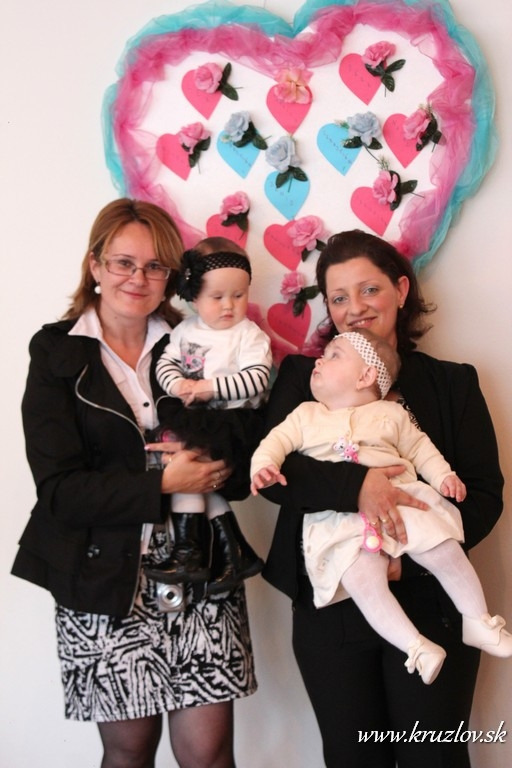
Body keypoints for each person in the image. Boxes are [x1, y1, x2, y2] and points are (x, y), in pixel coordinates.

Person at [11, 199, 257, 768]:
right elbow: (60, 491)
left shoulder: (198, 340)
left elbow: (248, 445)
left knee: (209, 753)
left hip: (202, 568)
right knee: (128, 753)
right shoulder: (56, 352)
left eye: (154, 266)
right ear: (95, 264)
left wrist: (219, 463)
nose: (138, 278)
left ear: (172, 276)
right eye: (124, 263)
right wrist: (163, 482)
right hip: (103, 576)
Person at [258, 229, 504, 767]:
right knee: (353, 759)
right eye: (338, 297)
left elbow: (483, 495)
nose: (355, 308)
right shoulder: (305, 377)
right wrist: (360, 486)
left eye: (369, 289)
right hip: (333, 603)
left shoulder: (452, 384)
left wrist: (403, 562)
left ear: (400, 289)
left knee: (432, 759)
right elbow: (278, 475)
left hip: (432, 600)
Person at [251, 329, 512, 686]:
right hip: (339, 522)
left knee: (442, 546)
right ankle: (416, 647)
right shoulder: (304, 415)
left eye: (334, 355)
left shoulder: (391, 414)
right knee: (361, 580)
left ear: (366, 376)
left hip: (401, 504)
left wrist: (443, 477)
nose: (319, 361)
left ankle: (477, 619)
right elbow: (274, 443)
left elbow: (421, 449)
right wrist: (263, 466)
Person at [144, 237, 271, 593]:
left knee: (191, 468)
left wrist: (208, 388)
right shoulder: (185, 330)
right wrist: (177, 384)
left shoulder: (248, 335)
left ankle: (191, 551)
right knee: (192, 473)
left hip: (232, 422)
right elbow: (166, 363)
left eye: (239, 295)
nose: (229, 305)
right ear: (194, 298)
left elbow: (256, 378)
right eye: (217, 297)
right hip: (197, 416)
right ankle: (233, 552)